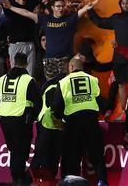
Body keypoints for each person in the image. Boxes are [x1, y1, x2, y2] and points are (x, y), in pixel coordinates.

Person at [6, 0, 94, 80]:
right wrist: (10, 7)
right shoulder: (45, 19)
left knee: (64, 88)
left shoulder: (70, 19)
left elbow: (84, 9)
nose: (61, 8)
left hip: (66, 60)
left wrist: (91, 3)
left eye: (63, 6)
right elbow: (26, 13)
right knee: (52, 87)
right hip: (50, 61)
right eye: (58, 6)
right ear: (52, 7)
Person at [51, 55, 108, 186]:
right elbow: (98, 99)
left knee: (72, 157)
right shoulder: (93, 79)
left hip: (72, 123)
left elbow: (56, 106)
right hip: (91, 121)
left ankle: (72, 183)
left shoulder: (64, 82)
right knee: (97, 155)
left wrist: (59, 119)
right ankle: (102, 181)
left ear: (71, 67)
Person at [5, 0, 58, 78]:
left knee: (29, 76)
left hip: (29, 44)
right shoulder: (8, 6)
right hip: (15, 45)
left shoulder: (29, 3)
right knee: (15, 75)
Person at [0, 53, 41, 184]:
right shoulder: (28, 80)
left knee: (14, 151)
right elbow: (38, 102)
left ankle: (16, 177)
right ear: (26, 63)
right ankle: (18, 179)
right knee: (20, 152)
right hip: (21, 119)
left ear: (13, 62)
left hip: (4, 119)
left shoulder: (1, 79)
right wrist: (32, 116)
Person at [30, 67, 66, 180]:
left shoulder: (48, 85)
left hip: (45, 125)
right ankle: (40, 180)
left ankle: (40, 180)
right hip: (52, 125)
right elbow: (55, 108)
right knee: (51, 156)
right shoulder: (61, 87)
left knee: (42, 156)